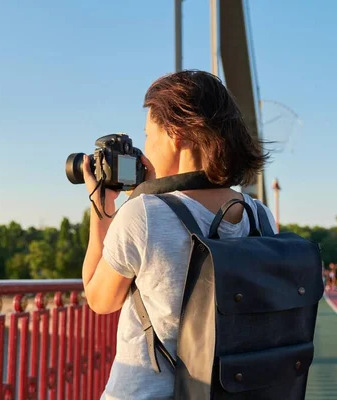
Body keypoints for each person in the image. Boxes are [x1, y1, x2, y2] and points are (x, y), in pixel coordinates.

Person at [80, 70, 276, 399]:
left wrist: (101, 209)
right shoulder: (260, 216)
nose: (145, 150)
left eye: (148, 135)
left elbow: (100, 300)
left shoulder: (144, 214)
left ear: (177, 134)